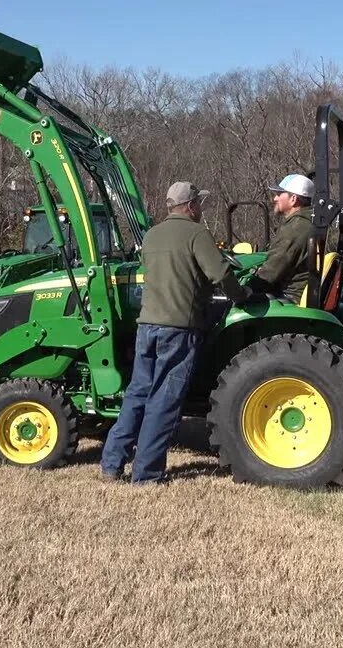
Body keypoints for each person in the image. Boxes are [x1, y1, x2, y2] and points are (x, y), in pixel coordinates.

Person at [99, 180, 253, 484]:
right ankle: (146, 475)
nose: (200, 209)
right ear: (191, 206)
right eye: (199, 204)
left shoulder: (152, 235)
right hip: (178, 328)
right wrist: (244, 295)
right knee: (164, 400)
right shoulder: (197, 233)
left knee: (138, 393)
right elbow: (219, 273)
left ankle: (111, 463)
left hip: (147, 326)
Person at [247, 173, 315, 302]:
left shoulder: (296, 229)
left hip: (289, 296)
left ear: (293, 199)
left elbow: (270, 273)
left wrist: (244, 289)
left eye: (279, 194)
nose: (275, 199)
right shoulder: (310, 222)